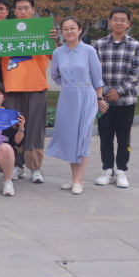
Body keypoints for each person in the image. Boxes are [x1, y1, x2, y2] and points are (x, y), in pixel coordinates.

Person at [1, 0, 57, 183]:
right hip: (12, 86)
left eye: (26, 8)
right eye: (19, 8)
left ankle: (35, 167)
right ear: (14, 11)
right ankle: (17, 165)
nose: (23, 11)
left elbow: (54, 56)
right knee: (15, 127)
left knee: (35, 128)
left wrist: (54, 41)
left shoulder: (43, 31)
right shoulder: (5, 31)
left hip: (37, 85)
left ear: (33, 10)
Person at [47, 16, 105, 195]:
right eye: (65, 29)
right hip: (67, 97)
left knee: (83, 138)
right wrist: (68, 85)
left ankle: (79, 180)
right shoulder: (58, 52)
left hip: (86, 95)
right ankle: (73, 178)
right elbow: (55, 75)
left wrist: (99, 98)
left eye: (73, 28)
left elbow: (97, 77)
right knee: (71, 138)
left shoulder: (89, 51)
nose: (69, 32)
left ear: (80, 30)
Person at [95, 6, 139, 188]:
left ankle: (121, 170)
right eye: (115, 19)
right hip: (104, 102)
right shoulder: (100, 45)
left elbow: (138, 71)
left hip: (126, 101)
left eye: (123, 20)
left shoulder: (135, 45)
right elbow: (94, 71)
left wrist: (120, 91)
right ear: (109, 22)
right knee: (105, 138)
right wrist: (107, 91)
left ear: (128, 23)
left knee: (124, 138)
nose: (119, 23)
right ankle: (107, 169)